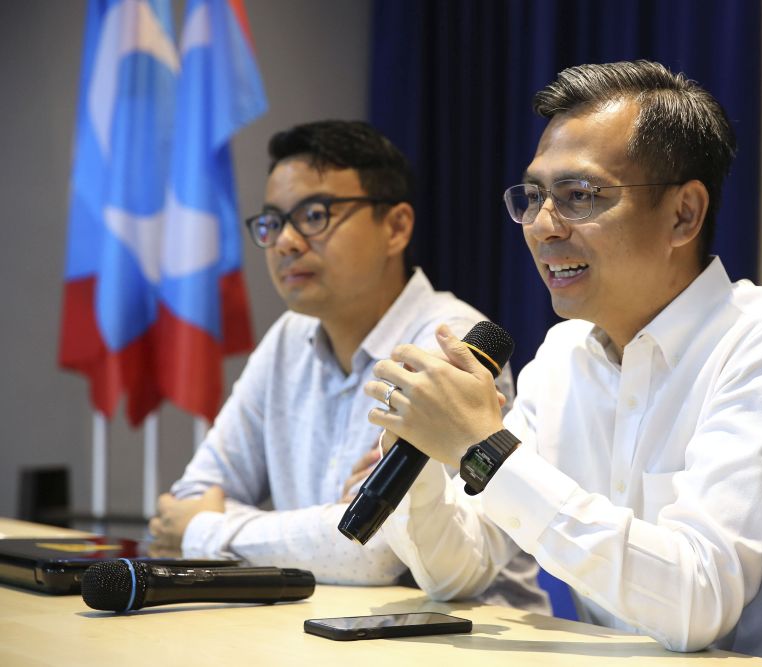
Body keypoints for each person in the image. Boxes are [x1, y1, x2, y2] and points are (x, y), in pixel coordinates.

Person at [365, 61, 762, 666]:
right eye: (534, 197)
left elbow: (698, 604)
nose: (542, 226)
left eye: (579, 197)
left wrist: (487, 450)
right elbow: (461, 571)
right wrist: (426, 451)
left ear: (684, 214)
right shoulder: (564, 355)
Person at [148, 120, 546, 613]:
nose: (287, 242)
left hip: (463, 644)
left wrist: (207, 530)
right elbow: (193, 493)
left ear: (396, 226)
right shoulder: (288, 338)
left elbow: (373, 549)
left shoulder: (452, 341)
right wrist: (302, 531)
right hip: (326, 629)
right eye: (272, 223)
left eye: (314, 215)